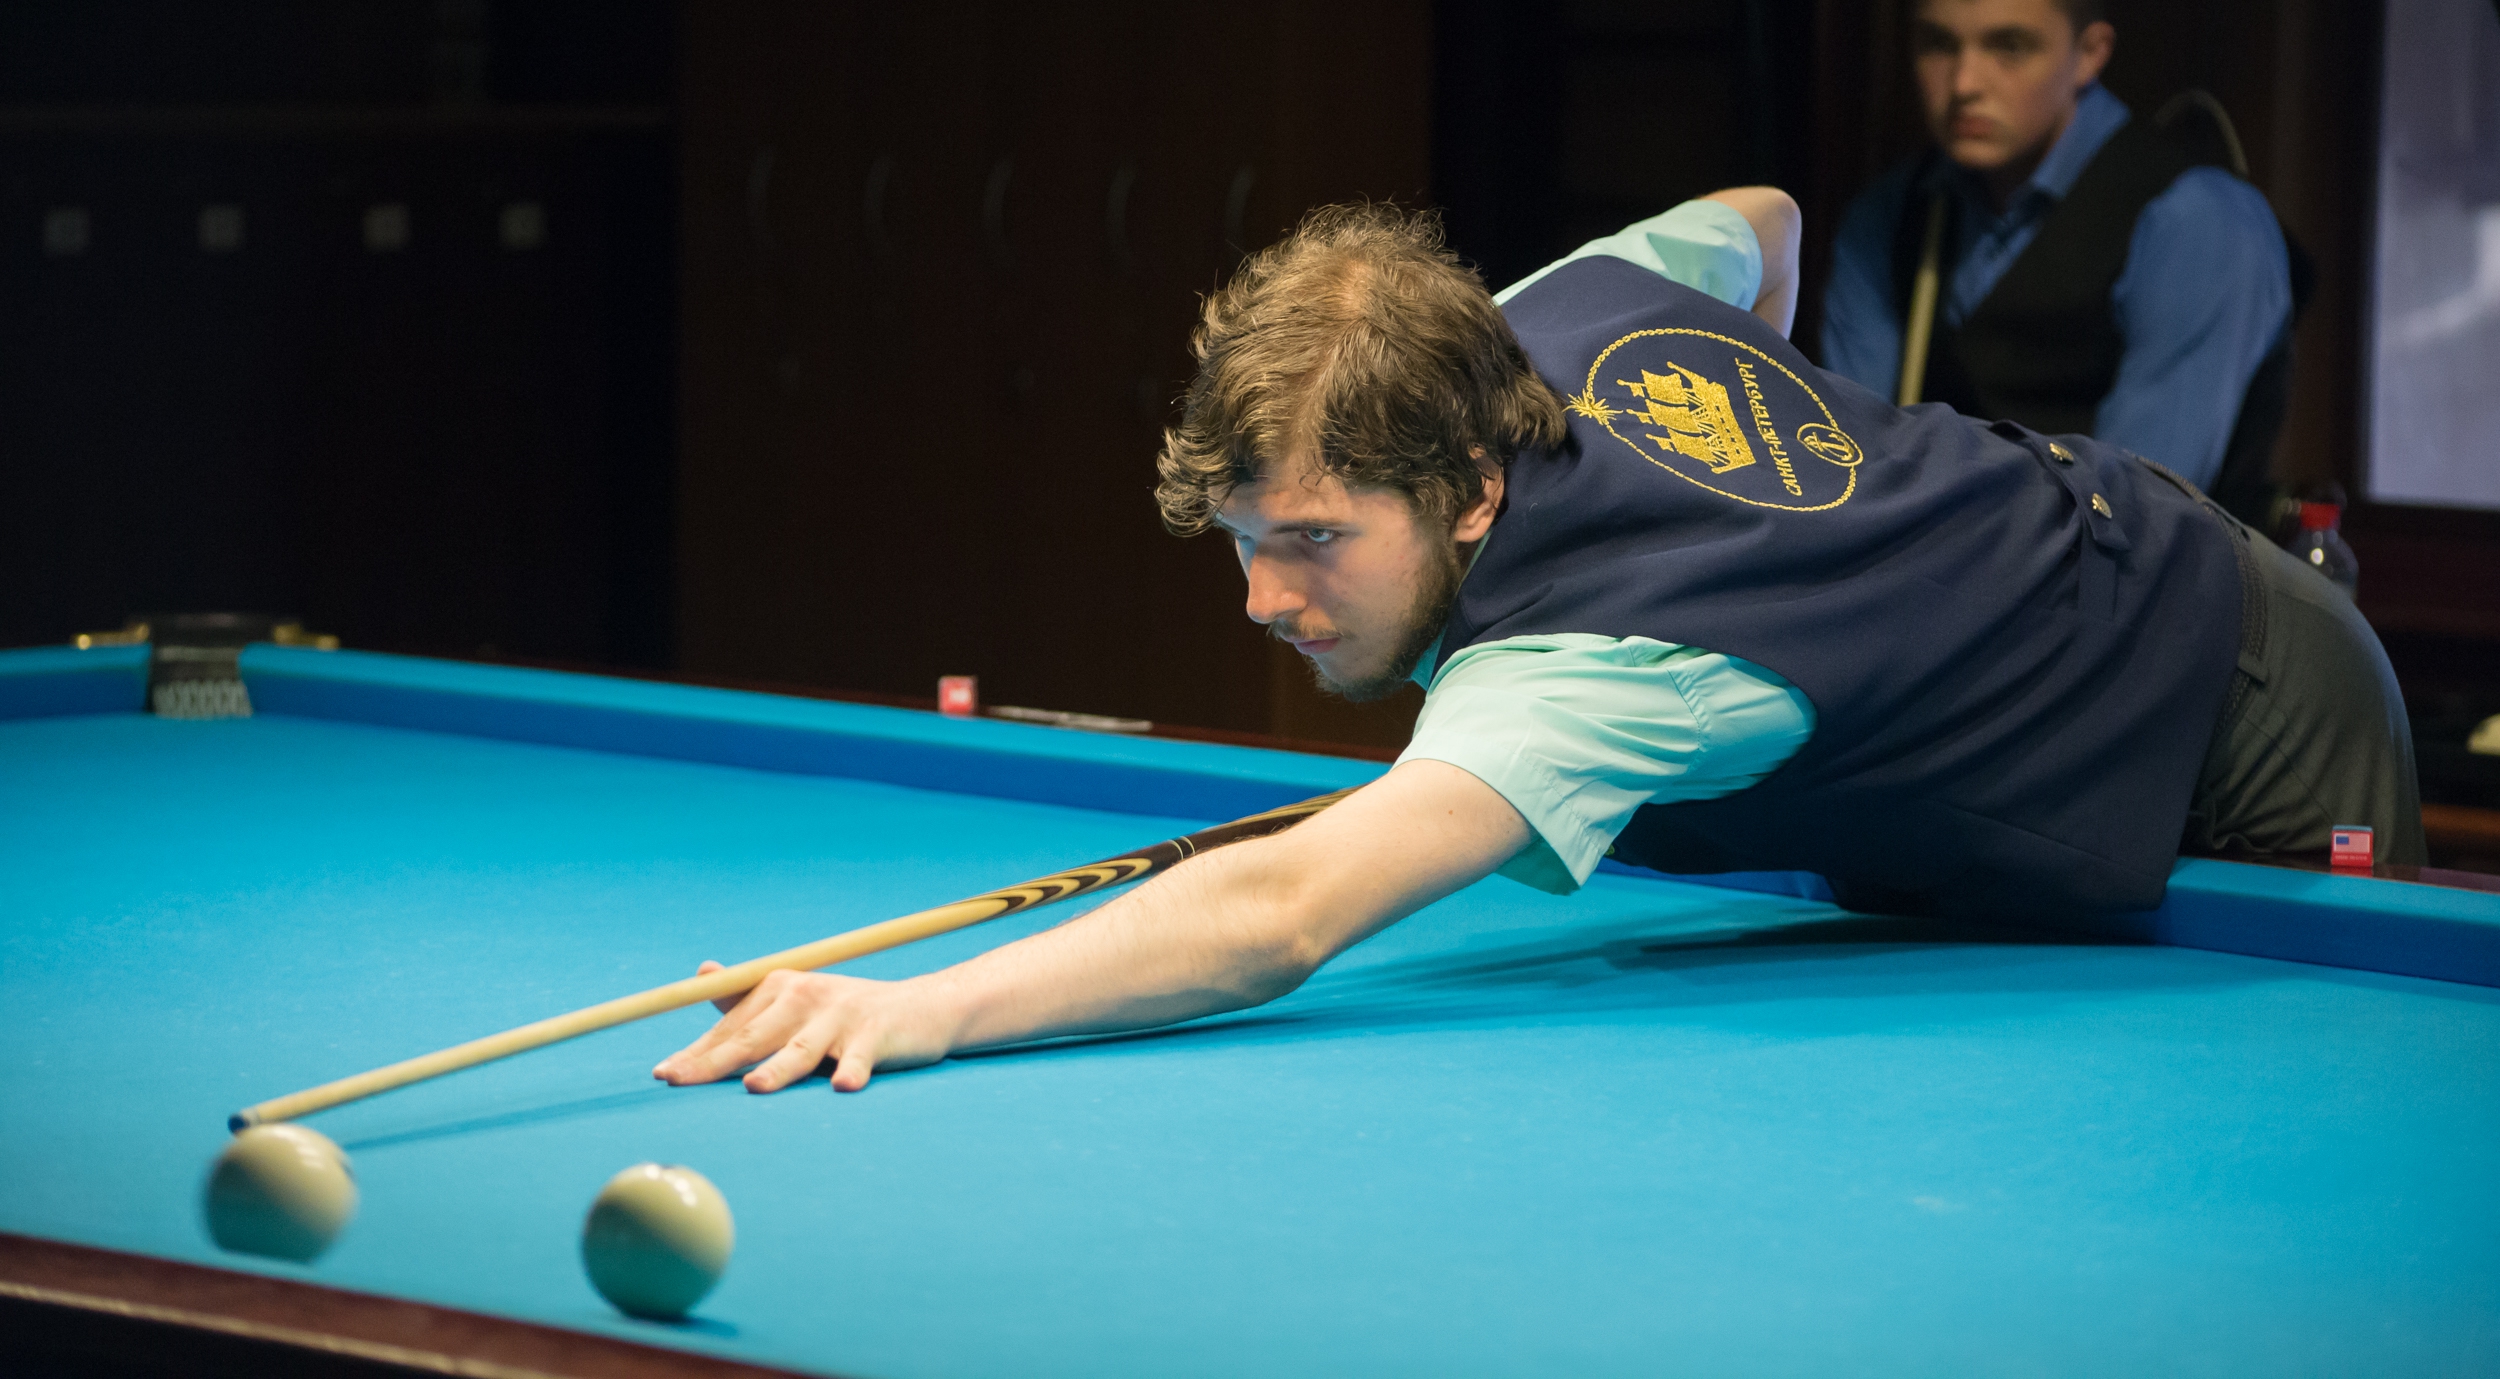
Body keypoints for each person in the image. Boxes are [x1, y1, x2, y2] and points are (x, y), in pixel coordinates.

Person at [654, 189, 2418, 1098]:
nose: (1265, 600)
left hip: (2245, 695)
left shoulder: (1596, 667)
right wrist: (1833, 494)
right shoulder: (1529, 319)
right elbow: (1765, 219)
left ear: (1475, 490)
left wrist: (924, 1007)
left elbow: (1282, 914)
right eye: (1247, 544)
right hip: (2075, 601)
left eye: (1316, 543)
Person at [1819, 0, 2296, 521]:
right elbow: (1846, 474)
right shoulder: (1888, 215)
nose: (1964, 83)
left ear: (2090, 53)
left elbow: (2132, 512)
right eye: (1938, 44)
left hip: (2141, 580)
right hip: (1932, 568)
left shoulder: (2196, 222)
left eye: (2009, 46)